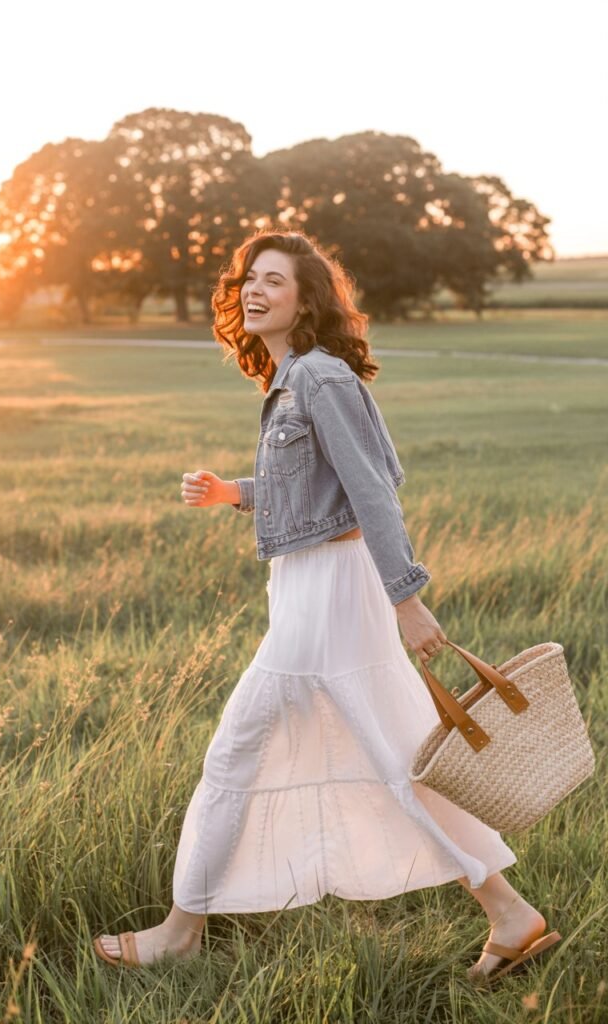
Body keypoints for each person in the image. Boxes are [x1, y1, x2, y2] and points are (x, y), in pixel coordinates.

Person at [94, 230, 556, 983]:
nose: (254, 289)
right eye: (248, 278)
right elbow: (317, 491)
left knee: (242, 747)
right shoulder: (294, 378)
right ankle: (508, 911)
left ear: (306, 300)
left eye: (274, 280)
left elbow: (372, 492)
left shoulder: (320, 377)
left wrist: (407, 598)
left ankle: (180, 934)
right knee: (393, 752)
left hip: (336, 593)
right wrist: (234, 494)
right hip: (310, 586)